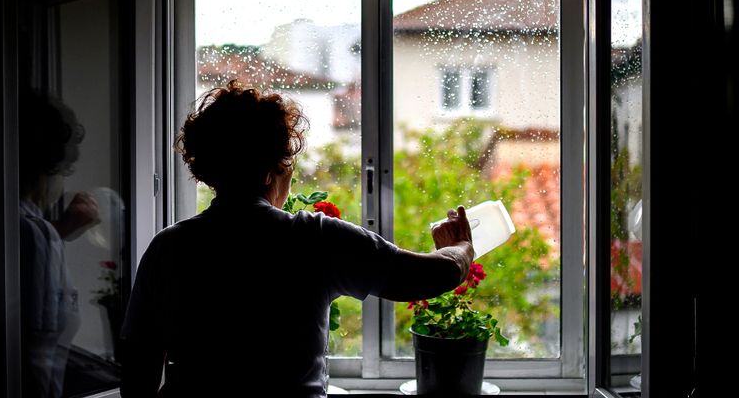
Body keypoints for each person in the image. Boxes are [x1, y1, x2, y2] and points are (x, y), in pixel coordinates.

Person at [120, 81, 474, 397]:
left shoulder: (168, 247)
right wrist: (460, 248)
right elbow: (429, 276)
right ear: (278, 165)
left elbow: (138, 378)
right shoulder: (313, 239)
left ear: (207, 170)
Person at [19, 92, 99, 397]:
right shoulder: (33, 232)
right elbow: (36, 352)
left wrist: (59, 230)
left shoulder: (23, 227)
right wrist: (52, 234)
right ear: (49, 169)